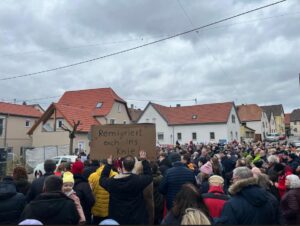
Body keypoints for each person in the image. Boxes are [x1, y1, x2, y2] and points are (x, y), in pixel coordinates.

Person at [100, 151, 153, 225]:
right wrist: (144, 161)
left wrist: (109, 164)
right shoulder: (138, 181)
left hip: (117, 219)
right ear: (134, 166)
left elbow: (102, 179)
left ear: (122, 164)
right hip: (136, 219)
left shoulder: (112, 182)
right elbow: (149, 176)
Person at [89, 160, 117, 224]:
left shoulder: (93, 176)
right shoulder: (116, 175)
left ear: (100, 163)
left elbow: (89, 192)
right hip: (110, 209)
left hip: (96, 208)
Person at [71, 160, 95, 224]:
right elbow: (91, 201)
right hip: (84, 216)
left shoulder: (67, 183)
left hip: (71, 216)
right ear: (82, 170)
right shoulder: (85, 185)